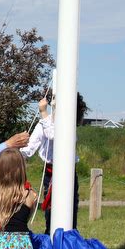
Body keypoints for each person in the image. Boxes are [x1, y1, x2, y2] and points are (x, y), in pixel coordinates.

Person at [21, 95, 82, 235]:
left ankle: (70, 243)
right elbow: (29, 148)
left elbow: (55, 136)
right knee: (51, 212)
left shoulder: (68, 124)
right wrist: (13, 155)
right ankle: (51, 239)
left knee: (70, 211)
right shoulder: (44, 123)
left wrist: (44, 113)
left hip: (68, 174)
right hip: (50, 174)